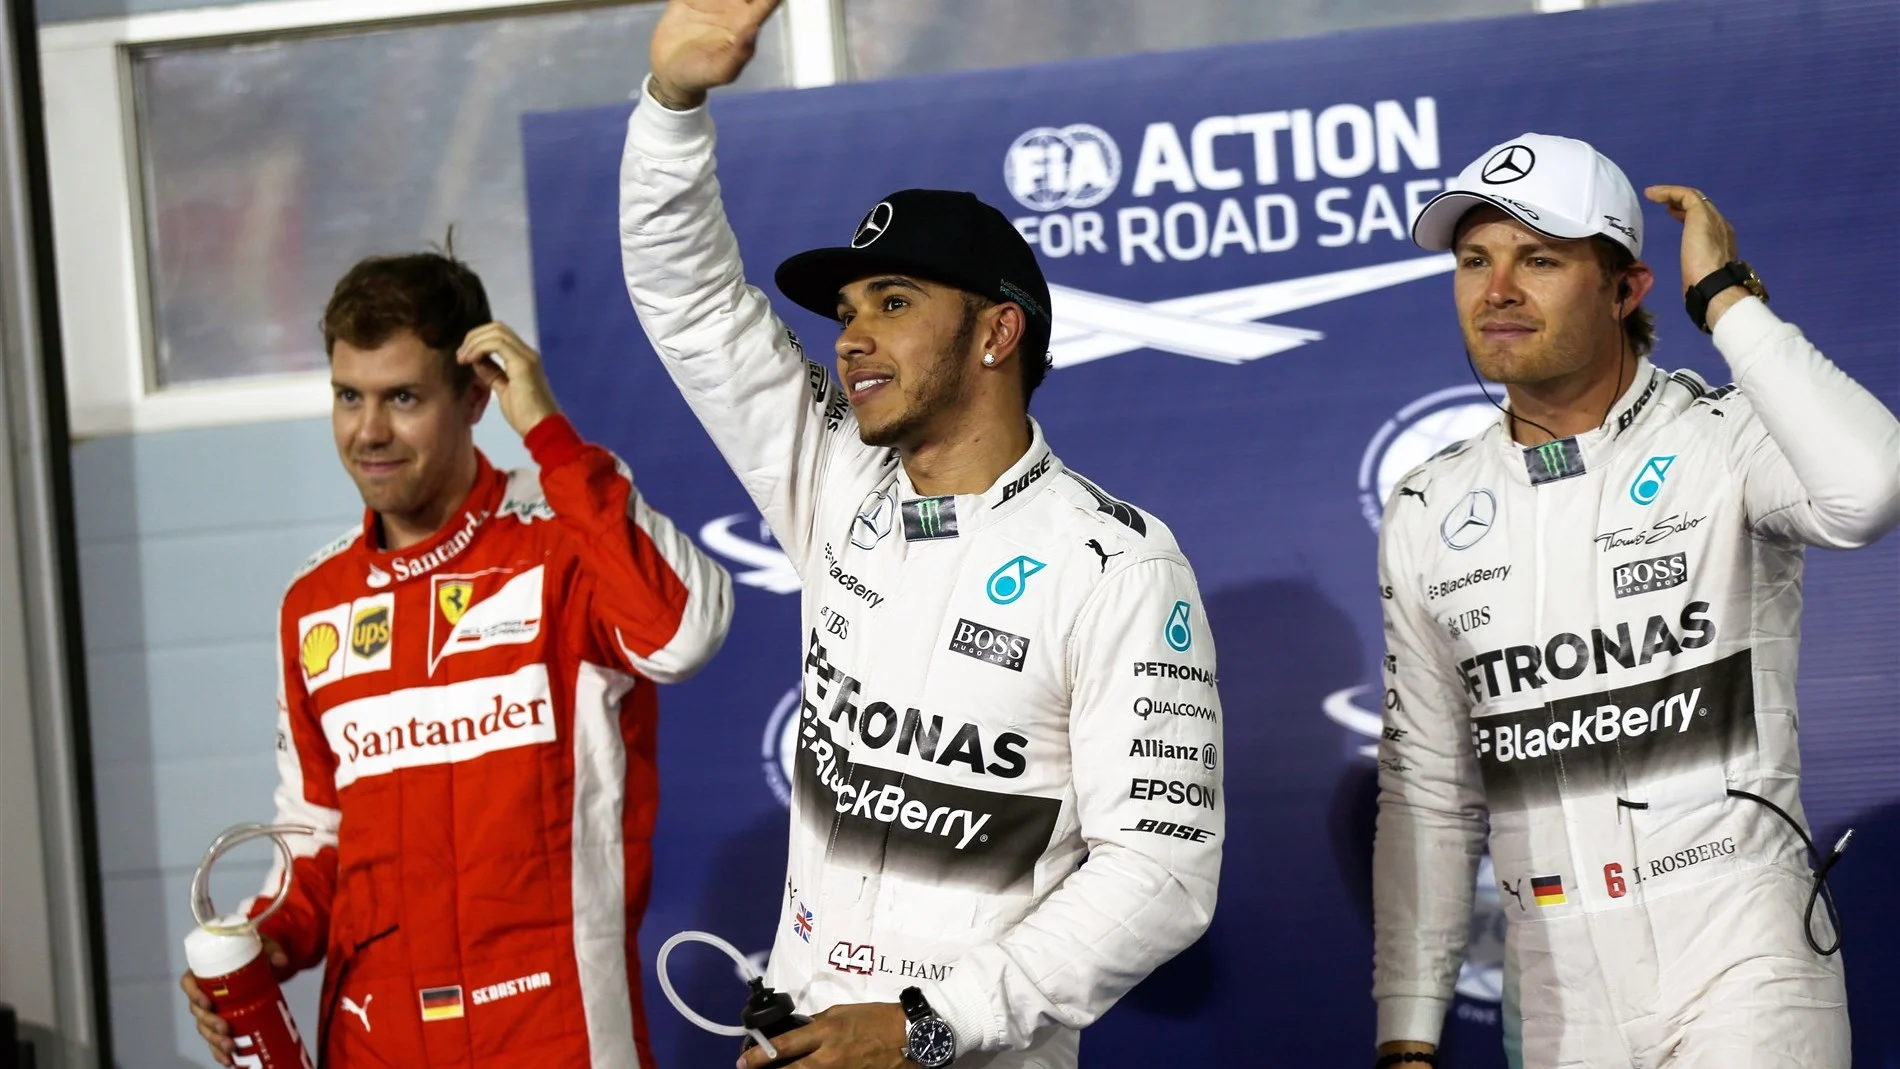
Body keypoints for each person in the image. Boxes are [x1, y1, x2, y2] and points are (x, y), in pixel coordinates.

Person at [619, 2, 1224, 1066]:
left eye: (891, 303)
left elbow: (1163, 872)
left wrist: (927, 1026)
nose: (851, 336)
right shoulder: (836, 479)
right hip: (792, 1036)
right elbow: (695, 308)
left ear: (998, 331)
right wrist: (671, 104)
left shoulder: (1119, 565)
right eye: (846, 310)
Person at [1371, 132, 1900, 1069]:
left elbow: (1872, 488)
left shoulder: (1726, 437)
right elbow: (1431, 791)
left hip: (1744, 962)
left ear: (1627, 289)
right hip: (1555, 993)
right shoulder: (1427, 504)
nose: (1497, 291)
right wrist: (1409, 1030)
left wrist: (1727, 299)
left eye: (1539, 259)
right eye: (1473, 261)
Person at [178, 249, 734, 1067]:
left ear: (477, 395)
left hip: (556, 1030)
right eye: (348, 397)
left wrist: (550, 435)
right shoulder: (314, 602)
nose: (369, 431)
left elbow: (684, 632)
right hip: (376, 1036)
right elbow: (316, 838)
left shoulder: (561, 535)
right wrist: (258, 944)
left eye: (402, 397)